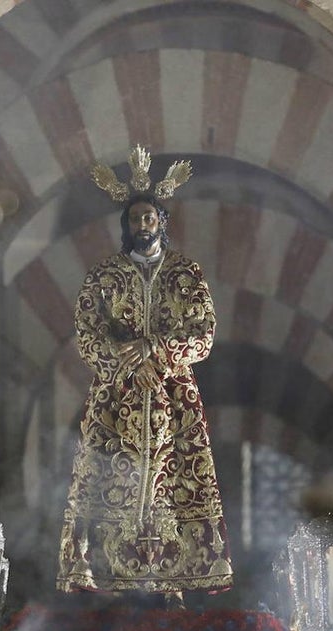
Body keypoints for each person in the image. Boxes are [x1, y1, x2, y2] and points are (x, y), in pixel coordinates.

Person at [57, 146, 233, 602]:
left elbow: (203, 331)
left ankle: (174, 581)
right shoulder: (104, 275)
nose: (142, 226)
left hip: (173, 398)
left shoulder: (185, 273)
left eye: (149, 219)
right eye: (135, 220)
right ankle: (109, 581)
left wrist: (156, 349)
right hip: (117, 396)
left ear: (161, 223)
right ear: (126, 226)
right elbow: (87, 332)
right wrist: (126, 360)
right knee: (109, 480)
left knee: (176, 481)